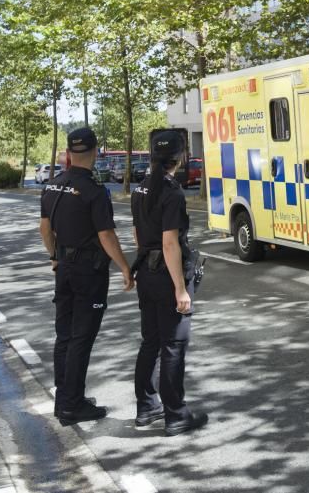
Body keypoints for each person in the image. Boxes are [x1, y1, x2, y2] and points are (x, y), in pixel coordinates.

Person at [39, 127, 133, 426]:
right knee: (81, 338)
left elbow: (44, 229)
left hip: (64, 268)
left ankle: (65, 398)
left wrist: (54, 257)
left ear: (68, 153)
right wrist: (124, 267)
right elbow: (105, 235)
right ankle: (72, 406)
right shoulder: (94, 191)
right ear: (95, 153)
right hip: (88, 272)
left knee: (64, 336)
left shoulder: (53, 185)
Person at [131, 130, 208, 437]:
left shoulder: (141, 189)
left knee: (150, 341)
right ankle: (176, 415)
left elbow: (138, 235)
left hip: (146, 275)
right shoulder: (172, 192)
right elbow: (170, 243)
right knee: (173, 345)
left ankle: (146, 406)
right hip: (166, 276)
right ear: (180, 157)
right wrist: (180, 288)